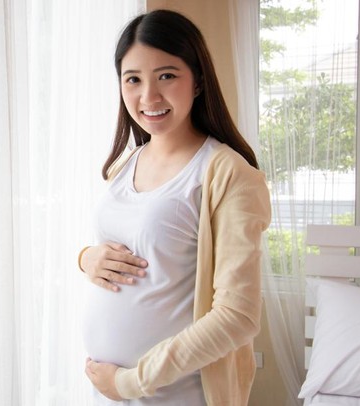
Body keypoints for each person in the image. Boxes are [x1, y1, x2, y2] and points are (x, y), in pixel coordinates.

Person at [78, 9, 271, 406]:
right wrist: (86, 258)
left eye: (167, 75)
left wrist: (132, 382)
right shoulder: (126, 163)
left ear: (198, 81)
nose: (149, 96)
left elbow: (238, 316)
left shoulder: (227, 174)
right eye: (133, 79)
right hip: (111, 389)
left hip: (176, 394)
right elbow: (130, 252)